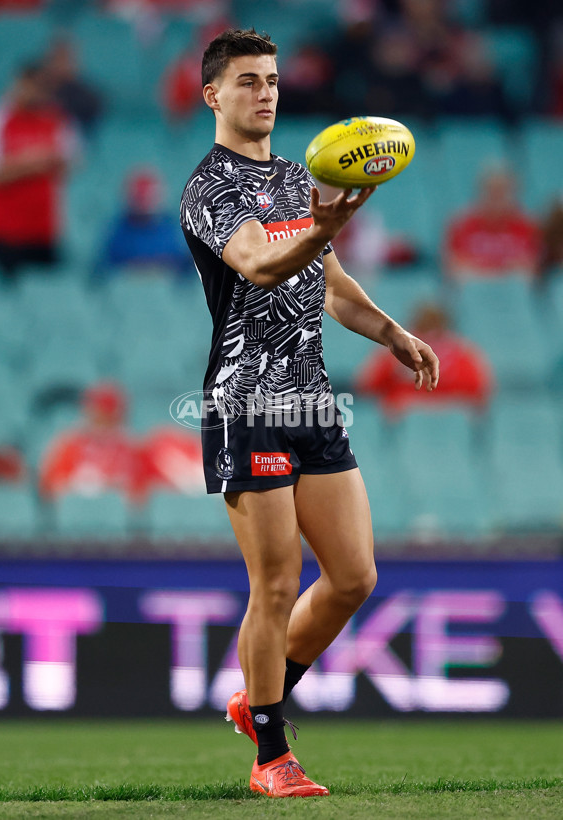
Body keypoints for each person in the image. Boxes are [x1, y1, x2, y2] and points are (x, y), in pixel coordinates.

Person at [180, 29, 439, 798]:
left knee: (356, 576)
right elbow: (259, 264)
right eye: (249, 81)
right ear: (213, 96)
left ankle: (254, 696)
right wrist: (322, 230)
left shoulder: (299, 177)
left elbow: (328, 284)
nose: (265, 93)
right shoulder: (210, 187)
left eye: (272, 81)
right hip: (246, 399)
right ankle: (270, 754)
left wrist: (391, 330)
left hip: (311, 400)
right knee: (276, 584)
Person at [0, 62, 81, 285]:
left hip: (44, 229)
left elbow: (71, 160)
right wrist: (30, 163)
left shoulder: (56, 119)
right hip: (4, 231)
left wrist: (41, 163)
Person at [355, 303, 492, 415]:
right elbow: (366, 386)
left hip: (415, 431)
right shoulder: (466, 353)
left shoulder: (395, 350)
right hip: (413, 430)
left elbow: (366, 386)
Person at [39, 382, 144, 503]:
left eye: (108, 416)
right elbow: (49, 487)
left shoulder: (133, 449)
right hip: (73, 516)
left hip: (121, 519)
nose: (103, 421)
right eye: (98, 414)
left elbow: (140, 493)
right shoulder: (69, 444)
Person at [92, 168, 191, 281]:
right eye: (141, 197)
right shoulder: (117, 230)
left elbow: (182, 265)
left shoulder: (173, 229)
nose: (144, 201)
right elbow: (106, 267)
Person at [444, 166, 541, 278]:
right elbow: (454, 269)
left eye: (503, 192)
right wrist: (504, 268)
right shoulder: (459, 224)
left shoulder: (530, 225)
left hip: (515, 291)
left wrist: (483, 267)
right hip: (473, 291)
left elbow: (532, 269)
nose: (497, 198)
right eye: (491, 191)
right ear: (480, 192)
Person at [42, 37, 104, 140]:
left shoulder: (89, 99)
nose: (61, 65)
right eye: (56, 59)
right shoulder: (35, 93)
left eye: (66, 59)